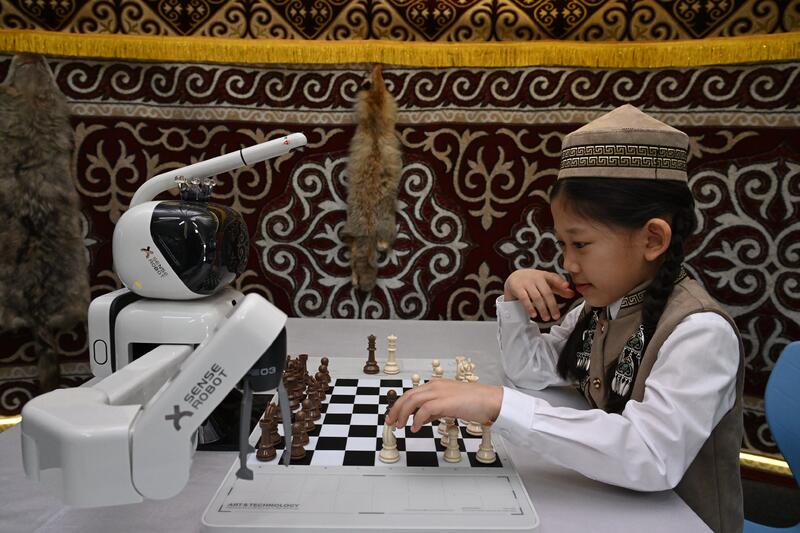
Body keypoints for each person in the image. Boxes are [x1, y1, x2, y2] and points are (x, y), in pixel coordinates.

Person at [385, 104, 744, 533]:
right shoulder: (601, 306)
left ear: (652, 238)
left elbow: (651, 457)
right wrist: (513, 299)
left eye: (581, 244)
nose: (568, 264)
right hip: (605, 509)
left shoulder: (700, 332)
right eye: (563, 245)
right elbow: (532, 371)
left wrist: (498, 405)